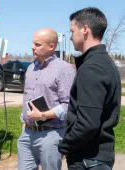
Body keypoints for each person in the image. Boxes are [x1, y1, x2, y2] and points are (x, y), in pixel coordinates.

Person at [58, 7, 121, 170]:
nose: (70, 37)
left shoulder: (92, 68)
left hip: (88, 160)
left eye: (72, 31)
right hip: (96, 159)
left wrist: (64, 146)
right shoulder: (104, 62)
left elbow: (87, 123)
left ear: (85, 29)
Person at [17, 28, 75, 170]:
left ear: (51, 46)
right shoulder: (31, 68)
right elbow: (28, 97)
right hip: (27, 133)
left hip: (51, 134)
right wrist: (25, 121)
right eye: (33, 43)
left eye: (37, 44)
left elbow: (69, 105)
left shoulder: (64, 69)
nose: (32, 47)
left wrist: (42, 115)